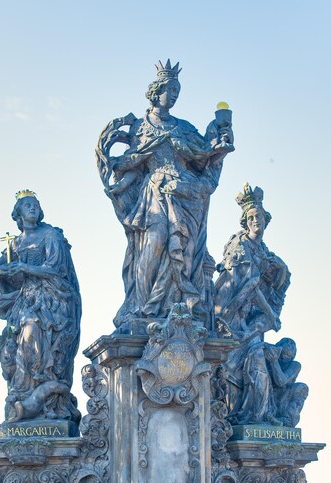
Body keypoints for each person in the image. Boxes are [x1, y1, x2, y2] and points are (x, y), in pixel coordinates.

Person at [97, 60, 234, 331]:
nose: (173, 95)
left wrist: (220, 135)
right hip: (155, 193)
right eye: (170, 89)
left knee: (185, 249)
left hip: (185, 194)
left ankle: (179, 306)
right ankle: (140, 305)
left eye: (177, 91)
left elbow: (203, 155)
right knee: (155, 242)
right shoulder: (141, 126)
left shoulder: (183, 127)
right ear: (156, 91)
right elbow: (126, 163)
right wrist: (133, 159)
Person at [0, 190, 81, 423]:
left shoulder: (50, 235)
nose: (32, 207)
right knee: (15, 343)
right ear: (18, 215)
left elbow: (56, 270)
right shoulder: (15, 242)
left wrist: (24, 269)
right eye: (27, 205)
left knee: (32, 331)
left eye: (35, 204)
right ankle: (22, 393)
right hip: (26, 300)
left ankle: (46, 391)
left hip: (52, 299)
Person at [214, 184, 290, 424]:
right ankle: (238, 418)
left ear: (266, 221)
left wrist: (281, 272)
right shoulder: (240, 246)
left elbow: (271, 283)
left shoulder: (263, 251)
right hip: (231, 317)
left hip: (251, 319)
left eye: (259, 217)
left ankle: (257, 416)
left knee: (257, 361)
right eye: (251, 217)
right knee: (231, 369)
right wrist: (270, 315)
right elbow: (250, 285)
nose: (256, 221)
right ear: (246, 222)